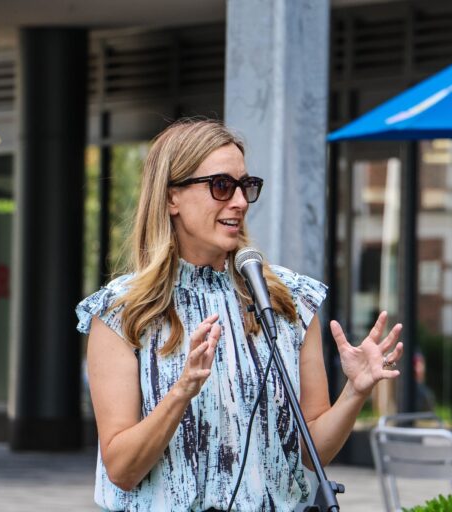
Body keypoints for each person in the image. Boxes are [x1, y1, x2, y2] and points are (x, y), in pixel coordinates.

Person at [76, 119, 403, 511]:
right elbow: (122, 469)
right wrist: (182, 392)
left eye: (245, 186)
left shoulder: (288, 299)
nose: (240, 202)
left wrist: (355, 392)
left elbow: (308, 451)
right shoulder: (121, 312)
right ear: (170, 198)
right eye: (220, 186)